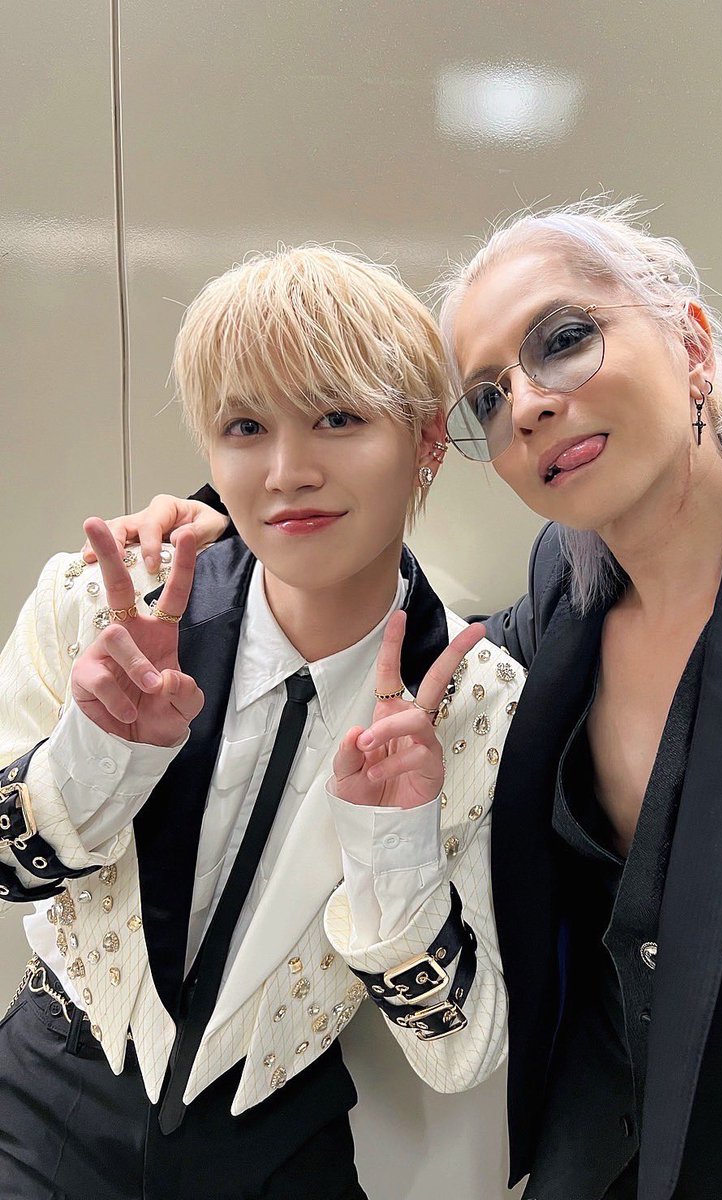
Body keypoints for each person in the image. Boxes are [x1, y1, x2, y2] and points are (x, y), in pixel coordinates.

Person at [84, 198, 722, 1200]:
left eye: (564, 340)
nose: (528, 406)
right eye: (487, 396)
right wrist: (224, 520)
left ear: (691, 343)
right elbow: (389, 618)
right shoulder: (558, 606)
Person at [0, 246, 519, 1200]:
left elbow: (463, 1053)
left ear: (427, 441)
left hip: (275, 1141)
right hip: (45, 1105)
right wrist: (93, 758)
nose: (288, 471)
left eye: (338, 418)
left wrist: (394, 851)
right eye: (245, 426)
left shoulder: (479, 699)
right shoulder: (98, 607)